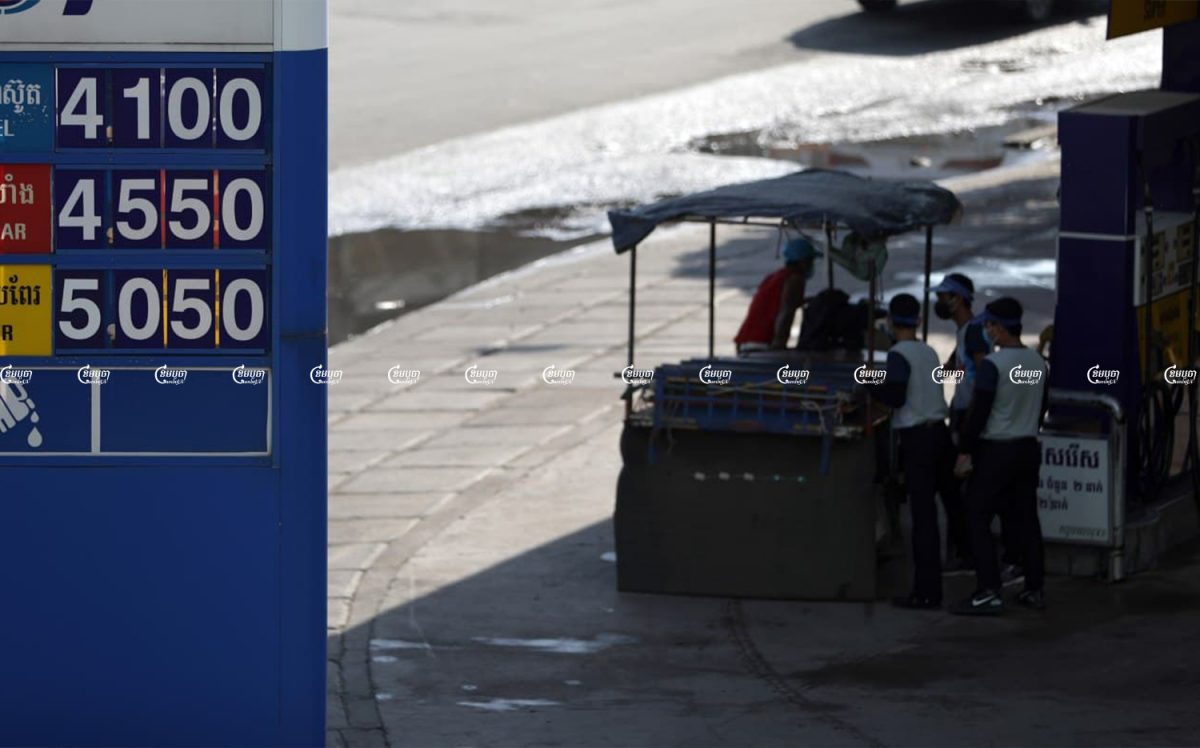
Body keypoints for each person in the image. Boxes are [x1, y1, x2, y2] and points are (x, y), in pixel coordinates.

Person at [952, 297, 1049, 615]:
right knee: (1026, 519)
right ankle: (1035, 588)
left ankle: (988, 590)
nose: (987, 331)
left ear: (1002, 328)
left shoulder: (994, 366)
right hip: (1027, 448)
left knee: (976, 516)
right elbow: (1041, 407)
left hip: (997, 450)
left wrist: (965, 449)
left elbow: (979, 413)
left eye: (990, 325)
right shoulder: (1037, 363)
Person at [870, 294, 961, 610]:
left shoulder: (897, 354)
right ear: (919, 321)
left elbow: (895, 394)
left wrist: (867, 387)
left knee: (923, 519)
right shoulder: (928, 350)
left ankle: (926, 592)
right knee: (947, 510)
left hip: (918, 440)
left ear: (891, 323)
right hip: (940, 435)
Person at [931, 273, 983, 570]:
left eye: (943, 296)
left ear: (958, 298)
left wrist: (971, 421)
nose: (939, 302)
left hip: (968, 416)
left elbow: (982, 377)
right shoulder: (965, 333)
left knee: (962, 487)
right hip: (960, 412)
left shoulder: (974, 332)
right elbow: (951, 369)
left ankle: (967, 551)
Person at [734, 236, 821, 353]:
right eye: (810, 260)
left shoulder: (776, 277)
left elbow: (777, 303)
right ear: (802, 261)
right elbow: (786, 312)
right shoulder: (795, 279)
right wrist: (779, 346)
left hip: (746, 341)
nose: (811, 265)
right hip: (761, 343)